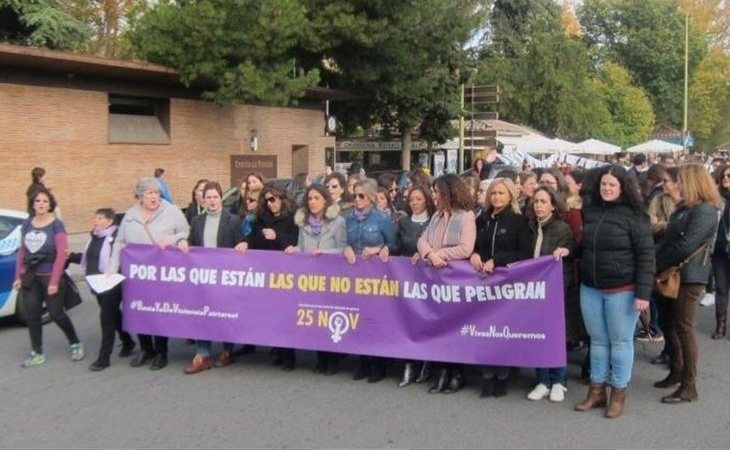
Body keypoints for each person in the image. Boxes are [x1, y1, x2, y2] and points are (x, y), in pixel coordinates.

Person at [574, 165, 654, 419]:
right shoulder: (591, 211)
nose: (607, 188)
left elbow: (646, 255)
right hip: (591, 287)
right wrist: (569, 252)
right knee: (597, 342)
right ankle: (596, 392)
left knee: (620, 343)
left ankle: (618, 393)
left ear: (622, 187)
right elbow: (585, 247)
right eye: (603, 184)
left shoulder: (635, 216)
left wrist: (643, 293)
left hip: (623, 289)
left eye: (612, 185)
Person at [653, 164, 721, 404]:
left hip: (689, 276)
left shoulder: (705, 210)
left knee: (684, 327)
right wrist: (653, 261)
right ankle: (676, 369)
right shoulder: (683, 208)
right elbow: (669, 241)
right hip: (671, 272)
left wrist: (655, 264)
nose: (677, 184)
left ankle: (689, 384)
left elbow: (685, 246)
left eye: (680, 180)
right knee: (668, 324)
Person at [108, 177, 190, 370]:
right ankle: (146, 348)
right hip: (136, 272)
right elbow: (119, 241)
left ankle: (161, 352)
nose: (154, 197)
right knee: (138, 309)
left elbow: (186, 231)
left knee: (158, 310)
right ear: (140, 196)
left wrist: (172, 239)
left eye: (156, 193)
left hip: (161, 271)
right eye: (149, 193)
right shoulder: (130, 214)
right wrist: (112, 267)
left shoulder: (172, 211)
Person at [470, 177, 532, 397]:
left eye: (501, 193)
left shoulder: (518, 221)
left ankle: (502, 377)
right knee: (485, 331)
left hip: (507, 285)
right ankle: (487, 377)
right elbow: (474, 245)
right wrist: (475, 254)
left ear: (510, 197)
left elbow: (525, 252)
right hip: (483, 284)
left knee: (502, 332)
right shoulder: (482, 219)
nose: (496, 197)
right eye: (493, 193)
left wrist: (498, 259)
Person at [417, 174, 476, 393]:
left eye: (437, 192)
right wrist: (430, 254)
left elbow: (465, 248)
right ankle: (441, 369)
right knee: (438, 325)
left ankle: (456, 371)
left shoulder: (466, 216)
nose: (433, 196)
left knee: (454, 326)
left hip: (455, 280)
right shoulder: (436, 217)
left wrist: (440, 253)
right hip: (435, 280)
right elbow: (422, 240)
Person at [179, 181, 247, 374]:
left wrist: (243, 245)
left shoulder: (233, 220)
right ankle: (202, 354)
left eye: (215, 197)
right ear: (203, 199)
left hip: (226, 277)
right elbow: (192, 242)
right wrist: (184, 241)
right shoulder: (197, 221)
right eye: (208, 197)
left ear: (221, 198)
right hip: (204, 278)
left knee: (226, 313)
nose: (212, 200)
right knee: (204, 314)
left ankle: (227, 350)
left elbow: (241, 242)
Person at [13, 187, 84, 368]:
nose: (41, 204)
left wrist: (54, 281)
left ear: (50, 204)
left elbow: (61, 254)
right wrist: (18, 276)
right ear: (33, 204)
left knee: (56, 314)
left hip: (50, 276)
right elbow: (22, 251)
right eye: (38, 201)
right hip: (31, 276)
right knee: (32, 315)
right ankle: (37, 352)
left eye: (45, 201)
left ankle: (75, 342)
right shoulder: (27, 224)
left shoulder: (56, 225)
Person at [285, 184, 347, 375]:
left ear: (325, 200)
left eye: (316, 198)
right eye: (310, 198)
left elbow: (344, 248)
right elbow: (301, 247)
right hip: (311, 278)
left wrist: (325, 252)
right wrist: (293, 250)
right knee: (316, 319)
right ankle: (320, 358)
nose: (312, 202)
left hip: (331, 277)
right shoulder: (303, 224)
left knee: (329, 317)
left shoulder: (338, 222)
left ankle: (333, 360)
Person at [68, 208, 136, 371]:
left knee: (106, 318)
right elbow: (89, 258)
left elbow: (123, 258)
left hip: (112, 283)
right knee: (114, 316)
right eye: (95, 217)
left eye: (99, 218)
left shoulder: (116, 238)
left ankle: (103, 358)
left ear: (110, 221)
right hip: (96, 283)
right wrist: (70, 256)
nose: (95, 221)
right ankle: (128, 342)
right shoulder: (93, 237)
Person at [525, 187, 575, 403]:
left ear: (553, 205)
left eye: (543, 201)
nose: (538, 205)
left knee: (555, 336)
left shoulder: (561, 228)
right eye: (536, 201)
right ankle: (543, 380)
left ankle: (559, 381)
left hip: (554, 290)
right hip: (532, 291)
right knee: (537, 335)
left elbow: (570, 251)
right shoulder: (529, 227)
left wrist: (566, 250)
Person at [344, 178, 396, 382]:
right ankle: (363, 361)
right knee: (357, 319)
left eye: (361, 196)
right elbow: (345, 242)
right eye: (354, 195)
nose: (356, 199)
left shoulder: (382, 219)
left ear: (372, 198)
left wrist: (379, 249)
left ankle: (378, 364)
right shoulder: (348, 219)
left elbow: (394, 243)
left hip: (376, 278)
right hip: (355, 276)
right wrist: (346, 248)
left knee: (375, 320)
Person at [243, 182, 299, 370]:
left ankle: (289, 356)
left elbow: (297, 242)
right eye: (267, 201)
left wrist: (277, 236)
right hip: (267, 272)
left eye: (273, 200)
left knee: (286, 315)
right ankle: (278, 350)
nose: (270, 204)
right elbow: (253, 239)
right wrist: (245, 243)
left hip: (286, 274)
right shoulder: (261, 218)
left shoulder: (293, 218)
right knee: (273, 314)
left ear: (282, 199)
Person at [395, 185, 435, 387]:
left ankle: (426, 362)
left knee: (425, 321)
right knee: (407, 322)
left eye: (419, 199)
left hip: (428, 279)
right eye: (412, 200)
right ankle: (409, 364)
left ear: (426, 200)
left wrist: (425, 252)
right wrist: (384, 249)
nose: (415, 203)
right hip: (406, 278)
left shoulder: (434, 222)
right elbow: (397, 246)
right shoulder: (403, 223)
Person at [711, 164, 730, 339]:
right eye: (723, 176)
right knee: (722, 288)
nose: (725, 178)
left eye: (729, 176)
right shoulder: (717, 200)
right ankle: (720, 325)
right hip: (719, 251)